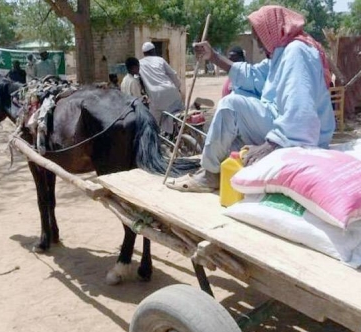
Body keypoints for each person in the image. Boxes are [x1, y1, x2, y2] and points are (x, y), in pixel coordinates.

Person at [167, 5, 335, 192]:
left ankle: (210, 176)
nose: (260, 46)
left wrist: (270, 145)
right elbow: (253, 76)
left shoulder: (296, 52)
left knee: (230, 105)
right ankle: (214, 169)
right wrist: (213, 57)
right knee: (235, 112)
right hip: (283, 125)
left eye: (259, 39)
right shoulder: (281, 53)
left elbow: (300, 110)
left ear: (271, 31)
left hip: (299, 135)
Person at [139, 41, 184, 135]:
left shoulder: (139, 64)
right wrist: (178, 87)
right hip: (171, 90)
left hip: (156, 95)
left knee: (153, 123)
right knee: (178, 114)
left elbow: (139, 82)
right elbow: (173, 74)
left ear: (144, 53)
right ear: (154, 51)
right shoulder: (160, 60)